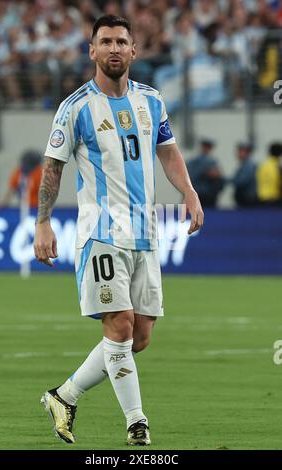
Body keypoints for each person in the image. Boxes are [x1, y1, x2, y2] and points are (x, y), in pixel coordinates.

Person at [34, 15, 204, 447]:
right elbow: (52, 168)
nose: (113, 48)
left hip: (145, 233)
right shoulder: (75, 108)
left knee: (139, 336)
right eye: (105, 41)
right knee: (121, 325)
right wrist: (43, 222)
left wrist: (189, 192)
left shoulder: (151, 101)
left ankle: (64, 395)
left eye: (121, 41)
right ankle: (137, 423)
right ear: (91, 51)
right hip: (101, 232)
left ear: (133, 51)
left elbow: (167, 152)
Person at [186, 138, 224, 208]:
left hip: (206, 196)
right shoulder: (194, 162)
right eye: (206, 146)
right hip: (199, 194)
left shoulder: (212, 161)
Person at [231, 142, 257, 207]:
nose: (238, 153)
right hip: (244, 198)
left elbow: (242, 181)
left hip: (247, 199)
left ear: (247, 153)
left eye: (240, 151)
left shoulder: (249, 165)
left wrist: (223, 179)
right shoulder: (244, 164)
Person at [256, 142, 282, 206]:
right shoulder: (277, 167)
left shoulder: (262, 166)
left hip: (261, 199)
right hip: (274, 200)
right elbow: (278, 183)